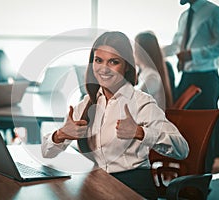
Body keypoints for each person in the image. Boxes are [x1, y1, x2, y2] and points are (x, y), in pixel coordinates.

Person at [41, 31, 189, 199]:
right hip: (99, 182)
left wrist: (140, 132)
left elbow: (182, 149)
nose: (104, 68)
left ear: (126, 66)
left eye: (114, 62)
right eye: (98, 60)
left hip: (133, 185)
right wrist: (60, 135)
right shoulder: (87, 103)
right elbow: (47, 152)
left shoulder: (141, 102)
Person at [162, 0, 219, 172]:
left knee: (203, 129)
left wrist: (194, 55)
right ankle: (187, 173)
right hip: (186, 77)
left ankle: (203, 176)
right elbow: (177, 46)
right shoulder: (184, 16)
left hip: (206, 79)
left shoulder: (214, 12)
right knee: (185, 127)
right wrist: (155, 52)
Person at [134, 31, 174, 110]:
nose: (133, 52)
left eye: (135, 48)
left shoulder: (152, 77)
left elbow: (135, 103)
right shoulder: (145, 73)